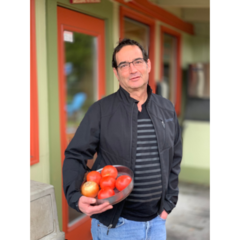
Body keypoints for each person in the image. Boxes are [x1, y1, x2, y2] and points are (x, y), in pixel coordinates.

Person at [63, 38, 182, 240]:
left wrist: (168, 204)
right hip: (117, 226)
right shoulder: (101, 110)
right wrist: (75, 197)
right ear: (116, 73)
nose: (133, 69)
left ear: (148, 65)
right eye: (124, 65)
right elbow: (75, 155)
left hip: (157, 224)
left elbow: (174, 158)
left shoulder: (166, 108)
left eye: (137, 61)